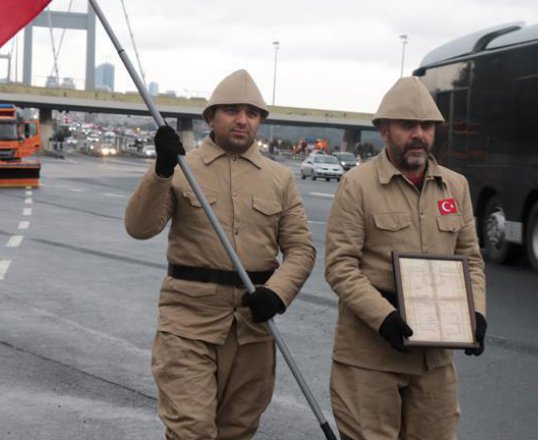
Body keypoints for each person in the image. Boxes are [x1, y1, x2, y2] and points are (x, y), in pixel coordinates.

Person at [124, 69, 316, 439]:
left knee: (238, 430)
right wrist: (161, 170)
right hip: (188, 325)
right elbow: (139, 227)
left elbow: (301, 250)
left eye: (252, 112)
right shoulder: (182, 168)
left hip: (254, 328)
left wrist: (277, 294)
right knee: (191, 430)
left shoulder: (280, 179)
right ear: (211, 117)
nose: (242, 120)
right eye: (231, 110)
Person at [324, 76, 487, 440]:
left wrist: (475, 313)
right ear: (384, 130)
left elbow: (470, 259)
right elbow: (340, 266)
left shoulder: (455, 186)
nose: (419, 134)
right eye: (407, 125)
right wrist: (384, 317)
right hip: (370, 357)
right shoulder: (358, 185)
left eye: (427, 126)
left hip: (434, 360)